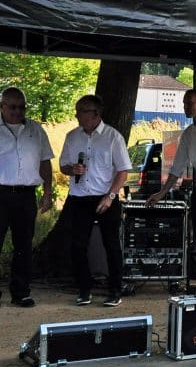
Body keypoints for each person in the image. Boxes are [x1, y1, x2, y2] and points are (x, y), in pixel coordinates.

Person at [147, 88, 196, 290]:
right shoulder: (189, 133)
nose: (185, 107)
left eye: (189, 103)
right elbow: (178, 166)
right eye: (184, 103)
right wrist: (162, 193)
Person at [59, 94, 131, 308]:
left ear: (95, 114)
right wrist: (72, 169)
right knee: (78, 245)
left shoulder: (112, 137)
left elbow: (123, 171)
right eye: (77, 110)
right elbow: (63, 165)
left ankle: (115, 290)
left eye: (81, 111)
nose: (77, 115)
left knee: (111, 245)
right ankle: (84, 289)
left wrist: (110, 197)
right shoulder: (72, 136)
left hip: (105, 197)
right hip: (80, 197)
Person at [0, 87, 54, 307]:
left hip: (26, 195)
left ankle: (21, 292)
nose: (17, 111)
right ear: (2, 106)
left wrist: (48, 192)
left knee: (23, 245)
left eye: (22, 107)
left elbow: (45, 161)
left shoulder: (36, 129)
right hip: (0, 194)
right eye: (12, 107)